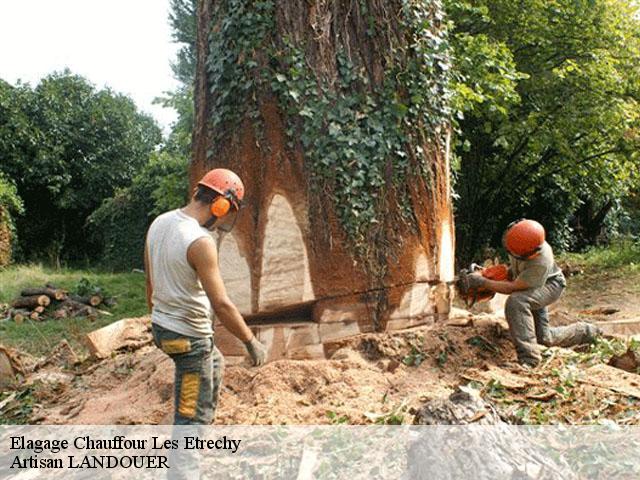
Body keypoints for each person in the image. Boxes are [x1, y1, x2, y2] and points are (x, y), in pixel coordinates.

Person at [145, 168, 267, 425]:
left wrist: (156, 319)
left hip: (162, 329)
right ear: (221, 206)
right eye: (226, 215)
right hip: (189, 341)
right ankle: (187, 456)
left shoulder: (159, 222)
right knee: (189, 417)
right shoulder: (200, 241)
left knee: (214, 361)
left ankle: (203, 420)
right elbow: (221, 304)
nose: (222, 222)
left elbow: (150, 282)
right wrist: (250, 342)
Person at [466, 219, 600, 367]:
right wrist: (491, 274)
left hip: (550, 285)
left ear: (528, 254)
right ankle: (585, 332)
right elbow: (516, 270)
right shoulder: (518, 238)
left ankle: (529, 359)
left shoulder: (540, 262)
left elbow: (514, 288)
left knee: (517, 302)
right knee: (544, 338)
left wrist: (484, 283)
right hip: (531, 283)